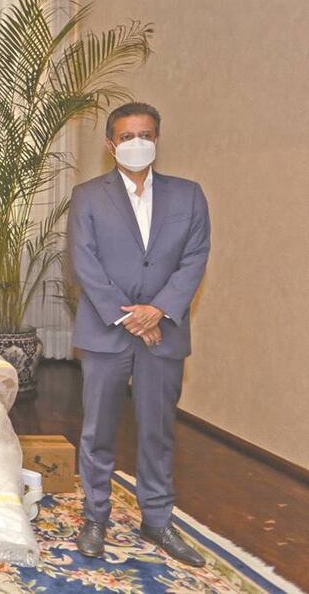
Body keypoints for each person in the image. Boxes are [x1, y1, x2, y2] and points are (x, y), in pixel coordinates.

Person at [68, 102, 210, 567]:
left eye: (145, 134)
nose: (136, 143)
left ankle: (157, 518)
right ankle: (95, 517)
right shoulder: (88, 196)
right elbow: (84, 262)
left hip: (163, 333)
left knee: (158, 430)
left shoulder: (188, 196)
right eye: (127, 136)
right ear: (111, 144)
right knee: (98, 431)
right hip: (107, 332)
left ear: (158, 139)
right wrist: (129, 316)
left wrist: (159, 310)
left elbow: (194, 259)